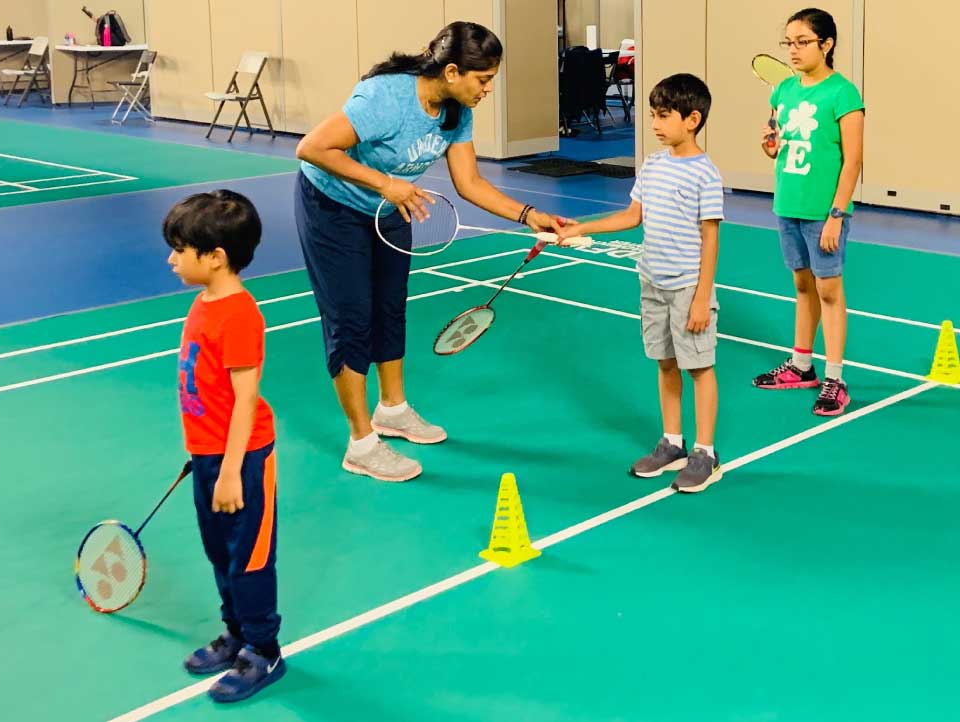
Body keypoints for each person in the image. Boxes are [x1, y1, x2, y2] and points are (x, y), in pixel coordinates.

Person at [294, 21, 564, 482]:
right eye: (483, 80)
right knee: (351, 319)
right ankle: (361, 443)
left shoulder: (458, 111)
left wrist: (528, 214)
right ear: (454, 71)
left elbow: (470, 182)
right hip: (333, 208)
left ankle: (392, 410)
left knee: (390, 309)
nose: (488, 89)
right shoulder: (385, 99)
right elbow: (312, 147)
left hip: (391, 208)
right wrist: (386, 184)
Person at [559, 74, 724, 493]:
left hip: (688, 287)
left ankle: (706, 452)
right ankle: (673, 443)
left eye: (663, 115)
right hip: (651, 281)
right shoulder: (652, 165)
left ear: (692, 119)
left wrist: (702, 297)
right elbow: (632, 217)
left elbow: (710, 238)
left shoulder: (705, 174)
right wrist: (583, 228)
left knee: (699, 368)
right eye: (652, 114)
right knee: (665, 363)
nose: (654, 123)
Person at [166, 190, 285, 703]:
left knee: (249, 559)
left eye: (180, 249)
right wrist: (205, 457)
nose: (172, 259)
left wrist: (233, 469)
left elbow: (244, 399)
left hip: (244, 460)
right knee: (219, 551)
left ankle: (264, 650)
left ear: (215, 257)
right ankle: (236, 630)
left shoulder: (239, 314)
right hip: (210, 456)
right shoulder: (204, 300)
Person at [751, 7, 864, 416]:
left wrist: (837, 213)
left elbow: (852, 161)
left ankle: (835, 378)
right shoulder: (783, 91)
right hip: (788, 202)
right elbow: (779, 145)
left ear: (827, 44)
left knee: (829, 290)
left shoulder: (843, 93)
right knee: (802, 287)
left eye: (802, 42)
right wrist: (770, 147)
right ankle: (801, 366)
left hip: (824, 210)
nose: (793, 50)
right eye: (789, 43)